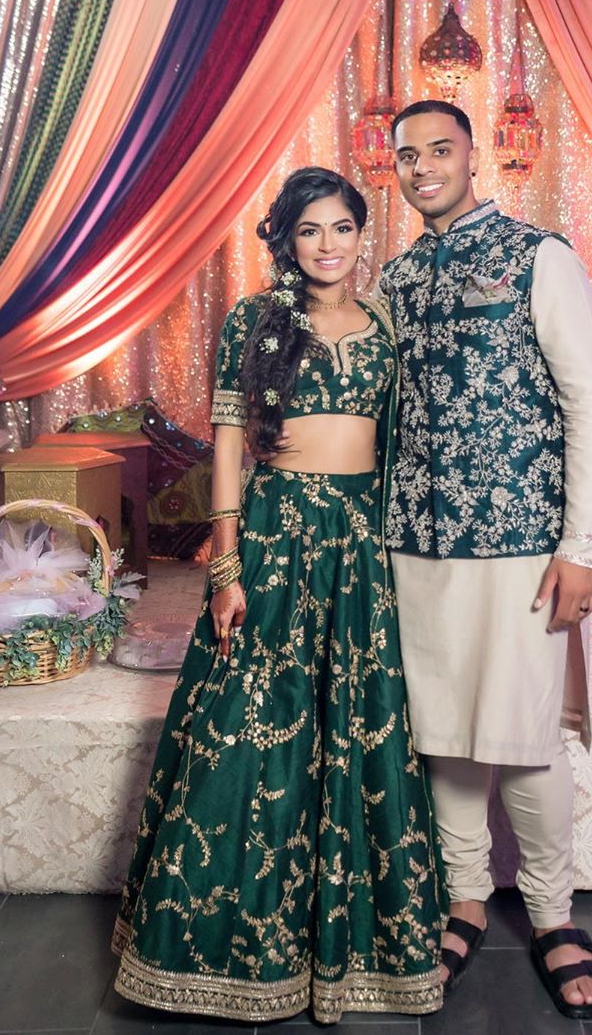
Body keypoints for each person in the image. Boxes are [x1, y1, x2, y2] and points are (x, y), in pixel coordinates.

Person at [113, 168, 446, 1026]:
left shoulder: (385, 322)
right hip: (274, 528)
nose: (327, 245)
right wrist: (225, 563)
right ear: (286, 240)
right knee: (250, 720)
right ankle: (217, 947)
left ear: (361, 234)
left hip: (359, 542)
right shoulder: (256, 321)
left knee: (357, 719)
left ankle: (347, 950)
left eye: (341, 228)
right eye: (310, 231)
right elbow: (228, 442)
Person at [378, 101, 592, 1020]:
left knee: (520, 738)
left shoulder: (539, 256)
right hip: (417, 541)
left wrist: (582, 549)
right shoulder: (394, 279)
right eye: (409, 155)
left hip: (522, 542)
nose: (425, 165)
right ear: (393, 168)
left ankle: (556, 917)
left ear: (474, 157)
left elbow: (589, 402)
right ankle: (465, 898)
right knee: (443, 731)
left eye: (441, 149)